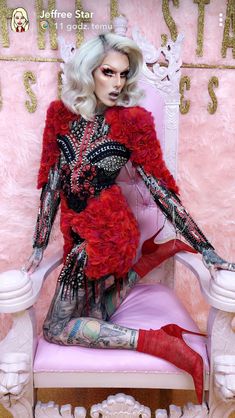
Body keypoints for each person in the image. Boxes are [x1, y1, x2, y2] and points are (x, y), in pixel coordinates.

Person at [24, 32, 235, 404]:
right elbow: (52, 182)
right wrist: (39, 247)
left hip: (109, 234)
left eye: (124, 75)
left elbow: (160, 189)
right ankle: (151, 256)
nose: (118, 84)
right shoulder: (59, 114)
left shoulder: (133, 121)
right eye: (109, 72)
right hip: (79, 232)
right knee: (91, 314)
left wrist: (207, 250)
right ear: (88, 71)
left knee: (57, 327)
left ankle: (156, 343)